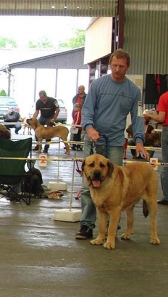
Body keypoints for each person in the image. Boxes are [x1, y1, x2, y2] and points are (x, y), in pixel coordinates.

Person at [76, 48, 149, 240]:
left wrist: (140, 141)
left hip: (116, 142)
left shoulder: (133, 91)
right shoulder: (98, 85)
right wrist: (90, 128)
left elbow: (138, 117)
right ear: (110, 65)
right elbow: (87, 110)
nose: (117, 69)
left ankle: (109, 226)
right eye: (115, 65)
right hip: (93, 140)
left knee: (113, 185)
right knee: (90, 184)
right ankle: (86, 225)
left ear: (128, 67)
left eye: (121, 66)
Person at [145, 80, 168, 205]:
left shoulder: (164, 97)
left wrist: (149, 115)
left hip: (167, 130)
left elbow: (161, 118)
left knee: (166, 164)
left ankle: (167, 197)